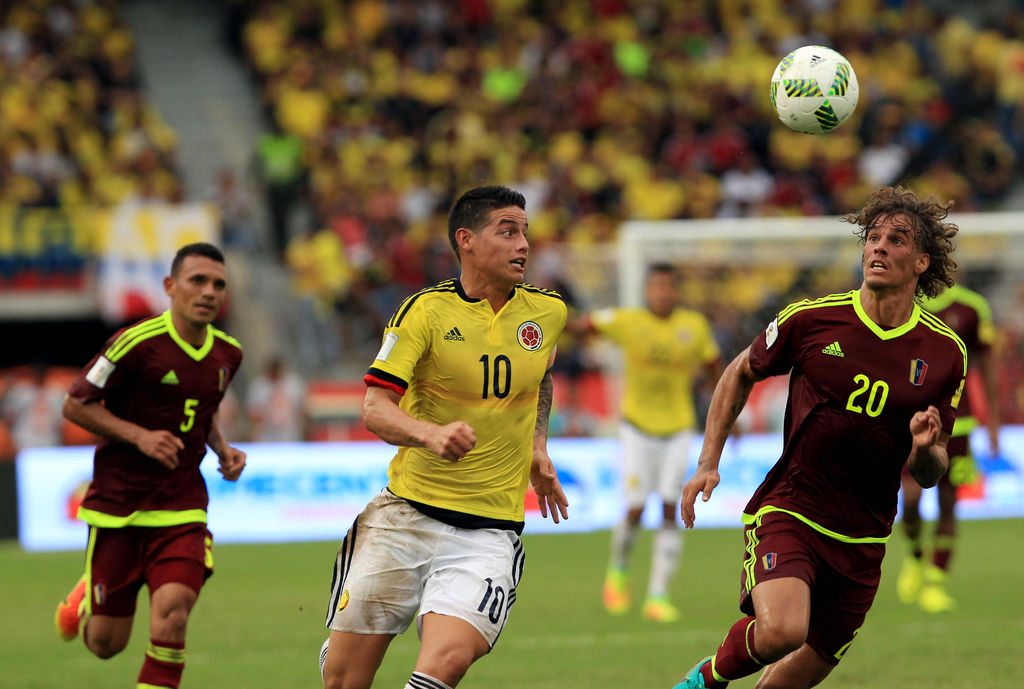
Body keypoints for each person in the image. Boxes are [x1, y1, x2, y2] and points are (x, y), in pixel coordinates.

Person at [673, 185, 965, 689]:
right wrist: (708, 462)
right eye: (873, 237)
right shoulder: (811, 320)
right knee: (783, 630)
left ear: (921, 262)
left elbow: (932, 469)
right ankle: (705, 680)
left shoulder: (945, 353)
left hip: (865, 537)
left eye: (896, 240)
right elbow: (739, 373)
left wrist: (923, 449)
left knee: (795, 678)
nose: (878, 247)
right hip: (793, 508)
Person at [319, 185, 569, 689]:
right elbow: (375, 408)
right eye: (508, 232)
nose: (524, 244)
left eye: (525, 232)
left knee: (446, 662)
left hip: (488, 531)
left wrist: (537, 446)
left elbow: (541, 375)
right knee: (344, 680)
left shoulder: (548, 312)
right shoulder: (424, 312)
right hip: (404, 517)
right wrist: (430, 435)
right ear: (466, 240)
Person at [54, 243, 245, 689]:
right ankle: (86, 595)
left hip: (181, 506)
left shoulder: (228, 354)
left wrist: (222, 448)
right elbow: (75, 404)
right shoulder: (134, 343)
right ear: (170, 286)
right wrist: (139, 436)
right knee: (105, 644)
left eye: (218, 284)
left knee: (173, 613)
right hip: (118, 506)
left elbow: (202, 407)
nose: (209, 292)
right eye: (198, 281)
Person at [570, 264, 721, 622]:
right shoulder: (628, 321)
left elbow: (716, 368)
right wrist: (548, 318)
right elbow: (583, 326)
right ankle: (618, 569)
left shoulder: (693, 326)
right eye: (656, 287)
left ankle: (658, 596)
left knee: (671, 506)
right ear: (647, 291)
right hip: (637, 429)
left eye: (668, 287)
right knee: (636, 507)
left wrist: (730, 411)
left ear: (676, 291)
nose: (662, 294)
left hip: (678, 429)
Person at [896, 281, 1000, 612]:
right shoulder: (904, 303)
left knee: (948, 503)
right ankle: (915, 556)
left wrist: (993, 423)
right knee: (910, 501)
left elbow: (987, 368)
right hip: (912, 421)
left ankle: (935, 581)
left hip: (959, 423)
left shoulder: (971, 308)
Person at [245, 356, 308, 442]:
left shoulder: (294, 384)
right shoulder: (258, 386)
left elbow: (302, 411)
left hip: (290, 434)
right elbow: (252, 415)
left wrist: (305, 433)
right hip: (265, 435)